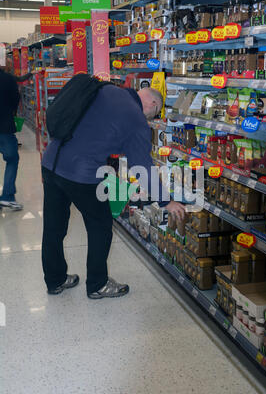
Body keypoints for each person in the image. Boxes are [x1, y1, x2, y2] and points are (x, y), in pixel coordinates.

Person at [42, 84, 185, 299]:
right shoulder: (136, 119)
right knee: (100, 226)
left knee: (53, 227)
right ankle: (98, 284)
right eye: (154, 114)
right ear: (153, 104)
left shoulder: (107, 89)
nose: (150, 118)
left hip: (51, 161)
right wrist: (166, 201)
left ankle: (55, 280)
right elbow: (143, 168)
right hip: (82, 174)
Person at [0, 62, 23, 210]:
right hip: (4, 127)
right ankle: (7, 196)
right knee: (12, 159)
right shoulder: (8, 79)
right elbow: (16, 99)